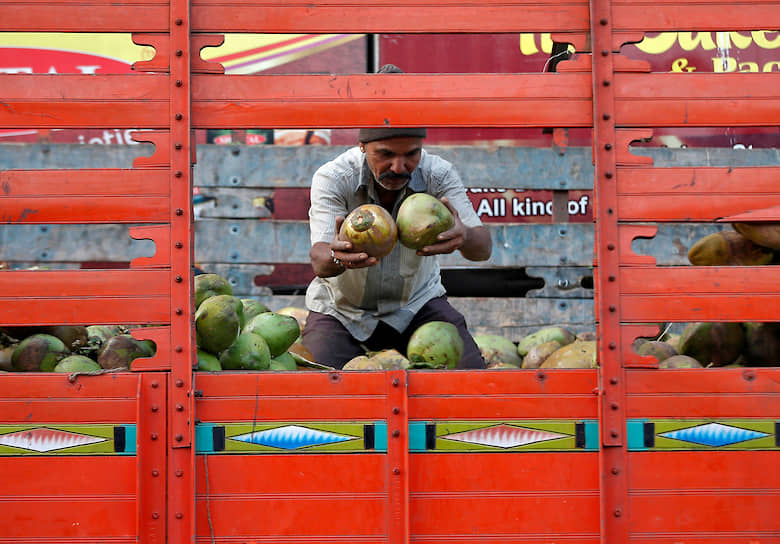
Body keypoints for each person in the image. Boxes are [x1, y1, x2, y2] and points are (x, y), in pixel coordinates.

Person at [301, 65, 492, 369]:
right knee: (312, 397)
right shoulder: (335, 178)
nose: (400, 167)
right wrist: (338, 256)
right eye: (385, 154)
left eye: (411, 154)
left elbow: (483, 249)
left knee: (470, 383)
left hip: (417, 306)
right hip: (342, 313)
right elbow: (320, 260)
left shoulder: (437, 174)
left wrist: (464, 236)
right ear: (362, 145)